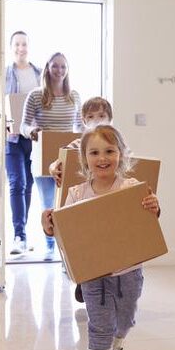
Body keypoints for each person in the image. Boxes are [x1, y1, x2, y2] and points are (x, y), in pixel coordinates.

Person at [41, 125, 160, 350]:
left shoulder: (131, 187)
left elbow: (147, 221)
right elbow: (64, 234)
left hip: (129, 271)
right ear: (84, 158)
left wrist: (153, 207)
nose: (102, 158)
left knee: (125, 319)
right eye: (94, 153)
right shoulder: (76, 194)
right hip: (93, 275)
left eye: (109, 151)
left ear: (121, 155)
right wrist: (49, 226)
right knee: (99, 323)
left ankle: (117, 344)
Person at [48, 96, 113, 303]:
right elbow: (60, 160)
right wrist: (53, 168)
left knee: (106, 245)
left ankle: (105, 286)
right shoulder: (79, 143)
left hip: (109, 203)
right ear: (84, 121)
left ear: (110, 119)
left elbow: (130, 163)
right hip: (85, 202)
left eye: (102, 116)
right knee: (87, 245)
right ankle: (84, 282)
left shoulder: (116, 143)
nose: (97, 121)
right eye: (91, 117)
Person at [21, 51, 82, 261]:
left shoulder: (74, 96)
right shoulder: (36, 95)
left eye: (63, 67)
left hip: (69, 159)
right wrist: (31, 132)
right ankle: (50, 245)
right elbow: (23, 125)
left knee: (68, 204)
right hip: (44, 158)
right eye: (55, 66)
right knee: (49, 204)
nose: (59, 70)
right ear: (47, 68)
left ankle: (66, 251)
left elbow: (80, 127)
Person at [5, 31, 42, 255]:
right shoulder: (6, 73)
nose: (21, 48)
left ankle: (24, 232)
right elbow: (0, 101)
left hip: (34, 136)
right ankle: (19, 235)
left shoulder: (38, 73)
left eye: (24, 44)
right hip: (13, 137)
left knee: (29, 184)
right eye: (17, 44)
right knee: (16, 182)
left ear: (29, 46)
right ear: (12, 47)